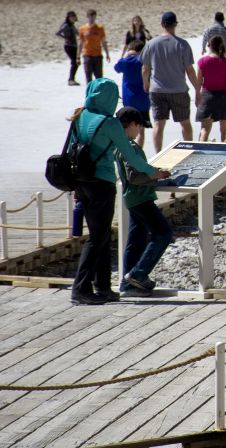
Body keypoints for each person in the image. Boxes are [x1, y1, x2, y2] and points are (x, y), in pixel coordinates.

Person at [66, 79, 165, 305]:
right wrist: (153, 173)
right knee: (98, 237)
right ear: (109, 99)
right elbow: (130, 156)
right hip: (101, 182)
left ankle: (102, 287)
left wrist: (74, 187)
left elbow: (73, 151)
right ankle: (80, 289)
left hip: (82, 182)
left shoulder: (79, 116)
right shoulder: (109, 122)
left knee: (99, 235)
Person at [114, 106, 173, 298]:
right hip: (140, 198)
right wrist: (155, 176)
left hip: (132, 198)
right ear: (131, 124)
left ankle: (127, 284)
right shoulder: (129, 147)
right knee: (163, 232)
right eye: (139, 126)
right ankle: (138, 274)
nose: (140, 130)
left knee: (136, 240)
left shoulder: (118, 144)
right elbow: (134, 176)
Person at [142, 11, 200, 152]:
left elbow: (145, 68)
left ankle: (157, 154)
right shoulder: (182, 45)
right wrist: (198, 89)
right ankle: (188, 150)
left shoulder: (151, 44)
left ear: (162, 24)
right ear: (175, 24)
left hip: (157, 90)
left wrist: (146, 84)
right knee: (185, 123)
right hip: (178, 90)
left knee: (158, 124)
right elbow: (190, 71)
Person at [196, 35, 226, 142]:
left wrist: (197, 95)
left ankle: (200, 153)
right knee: (225, 131)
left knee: (205, 129)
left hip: (207, 95)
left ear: (209, 46)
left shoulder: (202, 62)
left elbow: (199, 82)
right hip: (223, 97)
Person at [113, 40, 151, 149]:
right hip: (143, 100)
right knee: (141, 129)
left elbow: (116, 68)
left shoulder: (125, 62)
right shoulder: (144, 61)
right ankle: (139, 152)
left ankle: (127, 152)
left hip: (129, 99)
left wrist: (126, 56)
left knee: (126, 128)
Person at [79, 9, 110, 83]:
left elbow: (103, 42)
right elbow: (81, 43)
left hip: (98, 55)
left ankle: (99, 93)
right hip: (87, 54)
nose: (92, 18)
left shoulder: (100, 28)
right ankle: (89, 93)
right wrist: (78, 56)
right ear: (87, 17)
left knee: (99, 76)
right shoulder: (82, 28)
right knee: (88, 76)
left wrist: (107, 54)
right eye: (90, 16)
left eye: (93, 17)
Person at [56, 10, 79, 86]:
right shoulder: (65, 25)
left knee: (76, 62)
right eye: (71, 17)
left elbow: (77, 33)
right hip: (68, 46)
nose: (73, 18)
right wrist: (65, 38)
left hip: (74, 46)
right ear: (68, 17)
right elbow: (58, 33)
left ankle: (72, 79)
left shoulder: (72, 25)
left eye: (74, 16)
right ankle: (71, 80)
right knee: (74, 62)